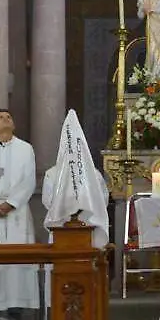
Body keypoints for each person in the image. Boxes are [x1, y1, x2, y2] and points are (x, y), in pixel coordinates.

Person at [0, 109, 40, 320]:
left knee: (16, 258)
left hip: (16, 212)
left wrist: (11, 203)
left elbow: (29, 180)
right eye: (1, 118)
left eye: (9, 117)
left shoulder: (25, 148)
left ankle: (16, 304)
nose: (6, 120)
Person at [42, 110, 111, 308]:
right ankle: (58, 306)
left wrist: (79, 213)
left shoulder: (94, 175)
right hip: (62, 231)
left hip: (87, 231)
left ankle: (90, 306)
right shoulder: (52, 174)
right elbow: (48, 201)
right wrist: (71, 212)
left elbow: (102, 199)